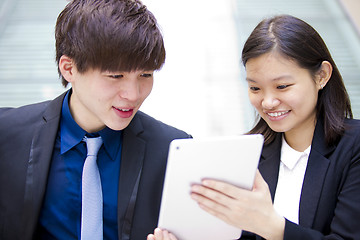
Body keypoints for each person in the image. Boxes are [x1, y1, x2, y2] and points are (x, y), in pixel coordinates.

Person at [148, 14, 360, 240]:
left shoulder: (353, 147)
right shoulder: (248, 154)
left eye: (282, 86)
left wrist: (271, 226)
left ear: (322, 76)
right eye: (256, 88)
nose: (268, 102)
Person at [0, 0, 191, 239]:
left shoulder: (174, 150)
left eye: (145, 74)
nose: (133, 94)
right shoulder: (7, 135)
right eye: (115, 76)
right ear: (69, 69)